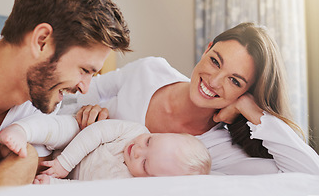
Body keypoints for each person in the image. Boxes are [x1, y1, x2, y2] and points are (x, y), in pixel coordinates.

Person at [61, 22, 319, 175]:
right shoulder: (151, 71)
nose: (214, 81)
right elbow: (76, 92)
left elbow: (310, 174)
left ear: (247, 92)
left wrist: (253, 111)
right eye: (215, 61)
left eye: (235, 81)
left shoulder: (220, 148)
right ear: (207, 49)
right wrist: (86, 109)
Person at [0, 0, 131, 189]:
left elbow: (24, 166)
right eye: (84, 70)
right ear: (42, 41)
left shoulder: (38, 96)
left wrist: (30, 157)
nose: (85, 87)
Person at [0, 116, 211, 184]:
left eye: (145, 164)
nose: (137, 150)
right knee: (66, 126)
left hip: (61, 176)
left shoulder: (126, 185)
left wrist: (56, 183)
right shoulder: (134, 131)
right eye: (149, 142)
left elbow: (84, 191)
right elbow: (96, 133)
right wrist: (65, 163)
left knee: (23, 178)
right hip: (72, 143)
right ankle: (23, 130)